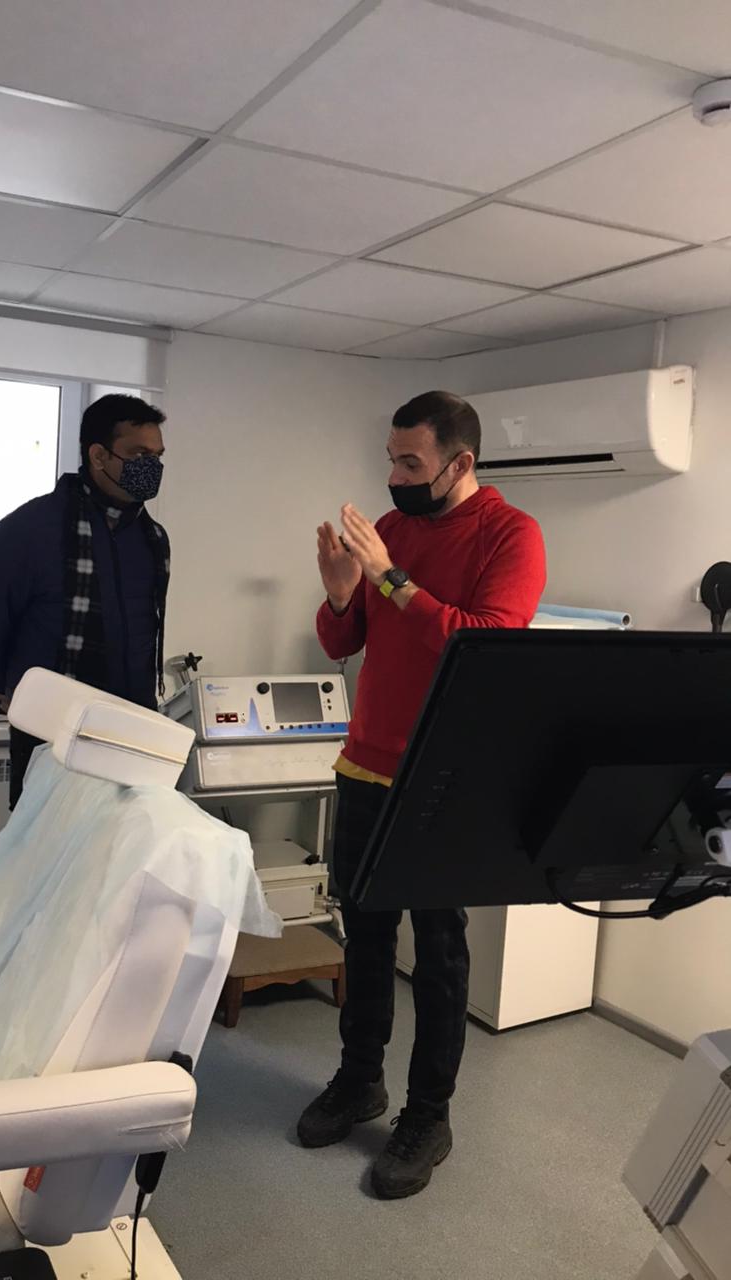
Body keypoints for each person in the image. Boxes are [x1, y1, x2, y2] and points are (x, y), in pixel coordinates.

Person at [298, 390, 546, 1199]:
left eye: (411, 463)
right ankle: (359, 1080)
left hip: (445, 779)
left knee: (437, 956)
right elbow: (343, 641)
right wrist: (343, 591)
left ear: (460, 462)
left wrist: (392, 579)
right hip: (365, 766)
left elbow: (488, 646)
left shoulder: (512, 535)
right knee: (365, 939)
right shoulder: (391, 530)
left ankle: (428, 1117)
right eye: (392, 461)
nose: (396, 478)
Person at [0, 394, 170, 808]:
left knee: (120, 841)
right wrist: (12, 692)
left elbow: (148, 631)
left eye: (158, 456)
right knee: (44, 839)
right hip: (50, 734)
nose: (153, 467)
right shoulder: (29, 529)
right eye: (139, 454)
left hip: (129, 733)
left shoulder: (152, 538)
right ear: (98, 455)